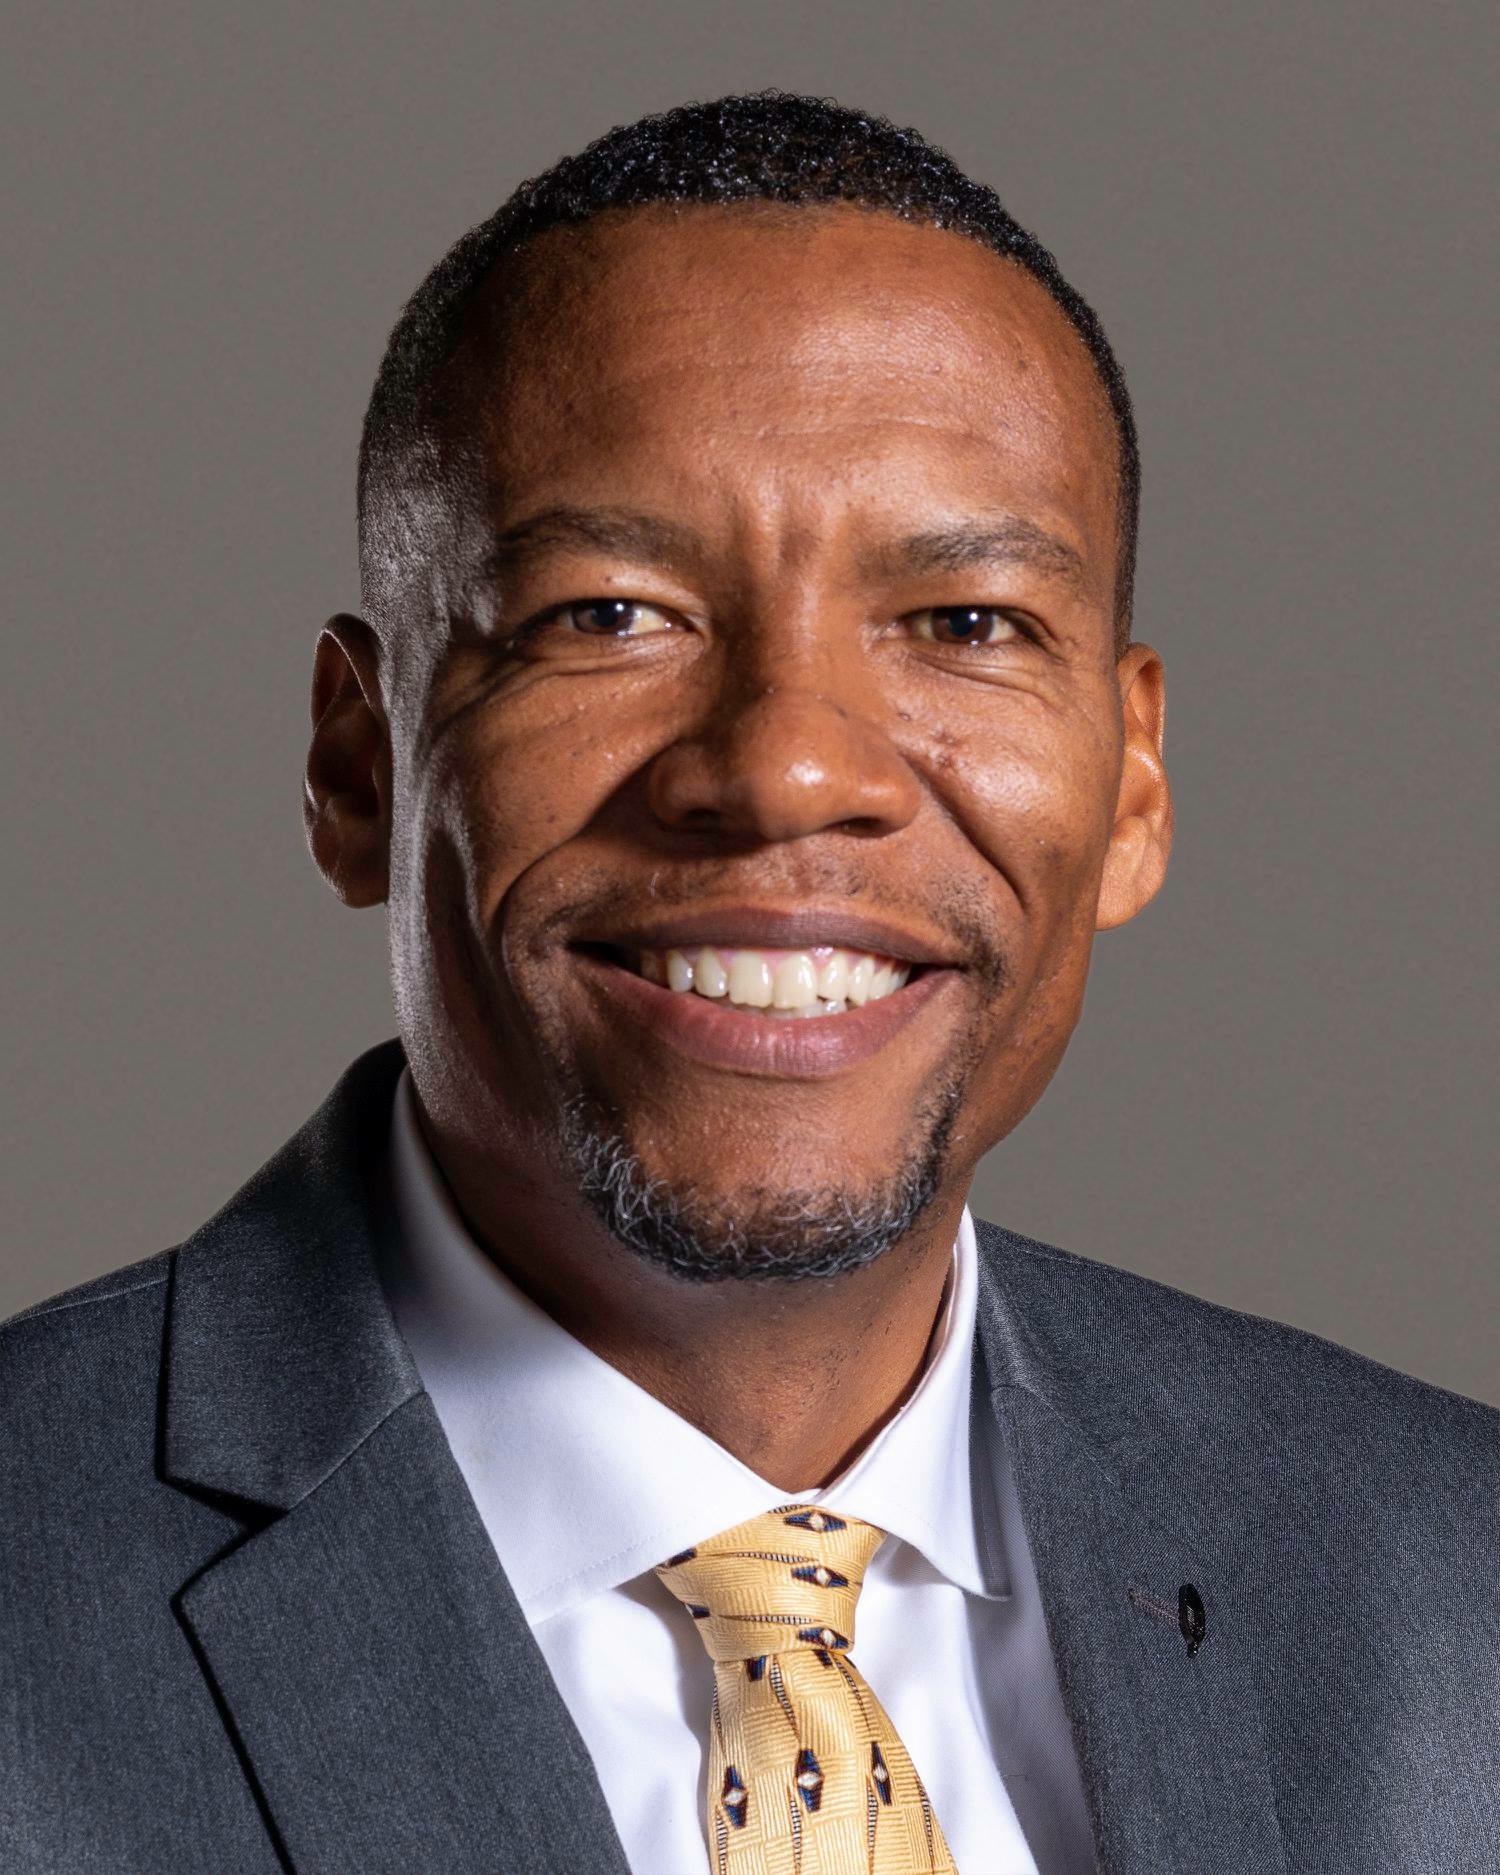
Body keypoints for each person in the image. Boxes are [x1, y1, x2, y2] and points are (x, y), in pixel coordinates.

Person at [3, 90, 1496, 1875]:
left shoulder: (1448, 1579)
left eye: (965, 626)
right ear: (358, 764)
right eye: (608, 614)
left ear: (1133, 788)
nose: (788, 769)